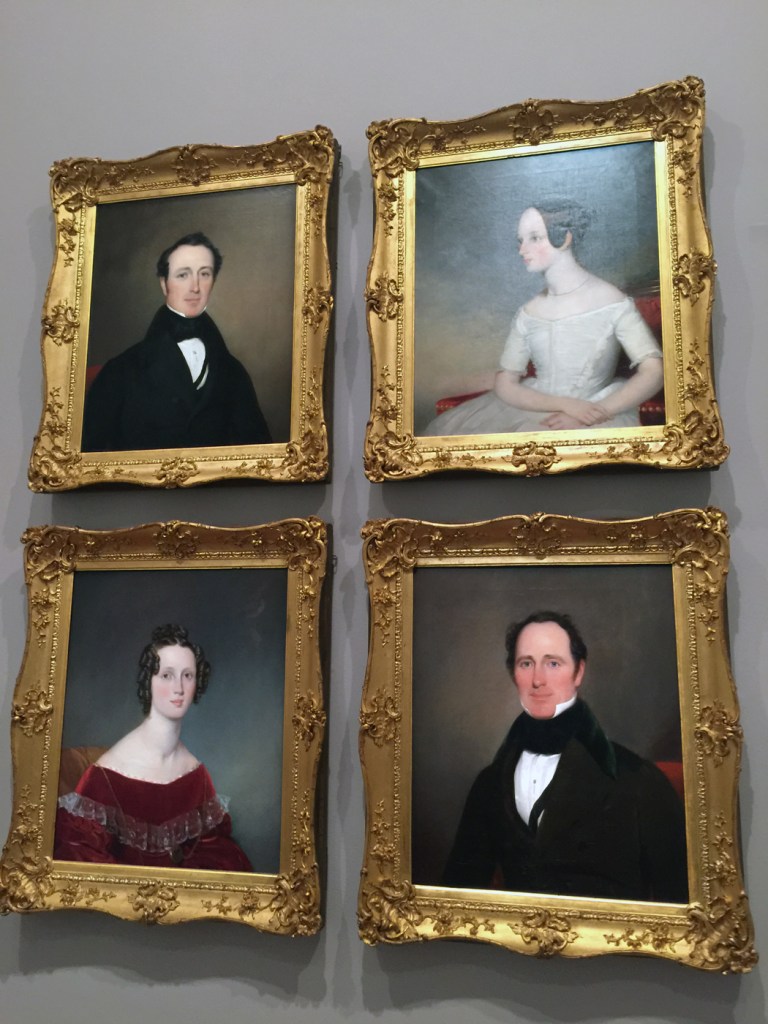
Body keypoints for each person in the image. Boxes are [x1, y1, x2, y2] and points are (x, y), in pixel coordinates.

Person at [443, 612, 688, 902]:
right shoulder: (490, 783)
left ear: (579, 672)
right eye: (526, 664)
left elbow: (678, 902)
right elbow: (457, 894)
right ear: (513, 674)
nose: (538, 679)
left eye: (553, 663)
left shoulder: (638, 781)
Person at [424, 202, 664, 435]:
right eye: (521, 240)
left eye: (534, 238)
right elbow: (505, 384)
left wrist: (595, 412)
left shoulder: (612, 301)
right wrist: (566, 404)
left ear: (566, 238)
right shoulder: (529, 311)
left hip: (597, 409)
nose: (522, 250)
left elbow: (654, 371)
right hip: (536, 407)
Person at [55, 624, 253, 871]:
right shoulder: (104, 775)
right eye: (167, 675)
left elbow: (217, 855)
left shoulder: (196, 775)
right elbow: (80, 856)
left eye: (188, 675)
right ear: (148, 680)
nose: (179, 688)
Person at [82, 231, 272, 451]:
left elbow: (259, 452)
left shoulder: (233, 371)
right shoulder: (121, 371)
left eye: (205, 274)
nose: (195, 287)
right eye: (183, 275)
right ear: (164, 284)